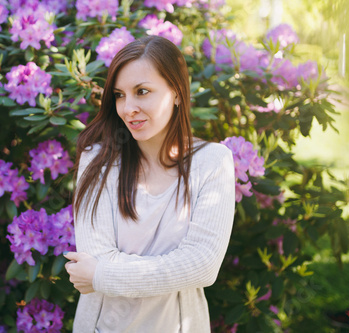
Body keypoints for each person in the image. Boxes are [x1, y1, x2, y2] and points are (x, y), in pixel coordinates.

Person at [64, 35, 236, 332]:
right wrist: (174, 268)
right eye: (119, 95)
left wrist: (102, 275)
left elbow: (203, 266)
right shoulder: (98, 162)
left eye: (142, 91)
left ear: (177, 92)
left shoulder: (212, 162)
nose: (128, 108)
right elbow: (97, 255)